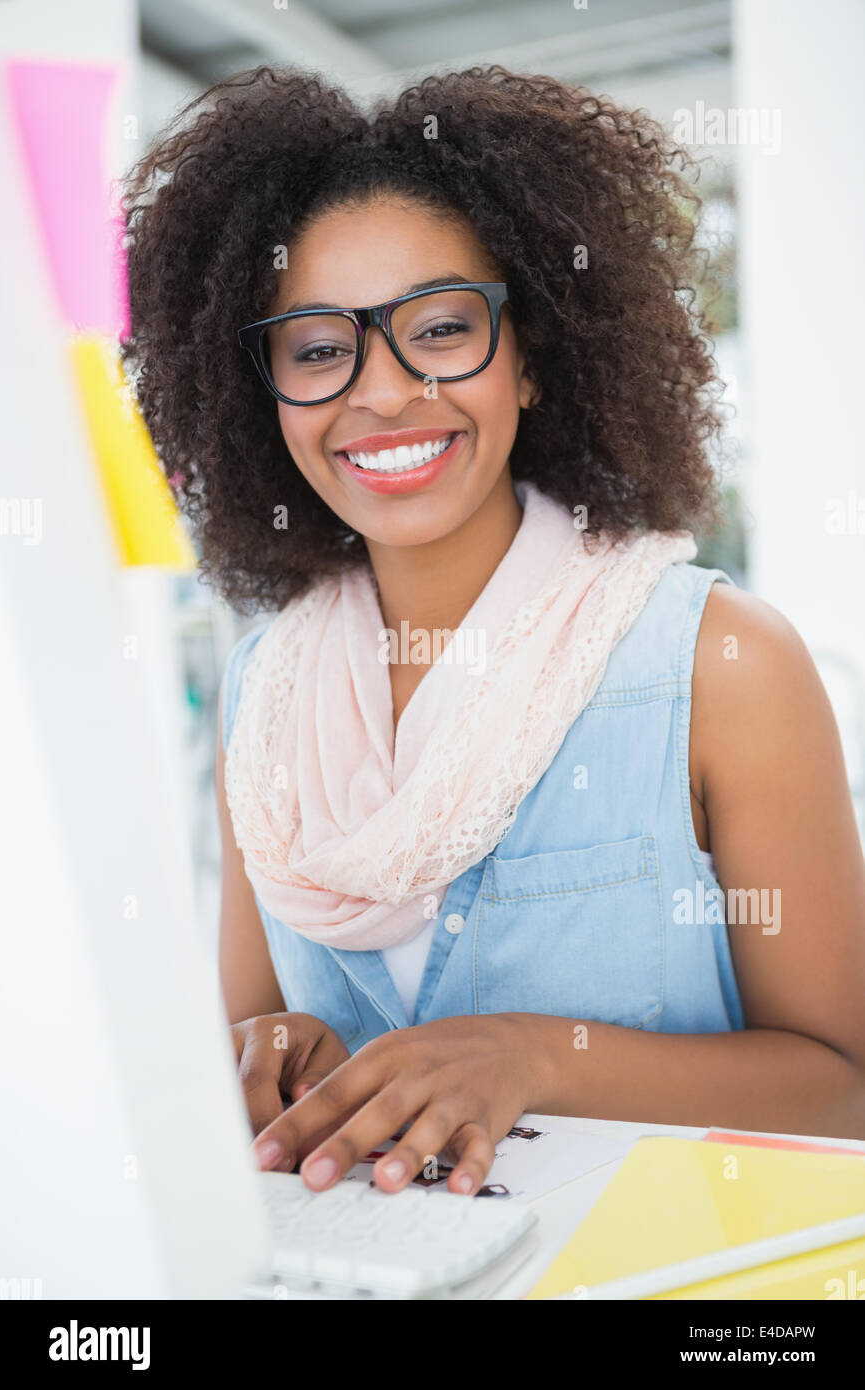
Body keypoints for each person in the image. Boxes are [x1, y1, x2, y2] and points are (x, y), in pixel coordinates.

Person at [121, 64, 865, 1198]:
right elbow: (255, 1036)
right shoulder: (265, 691)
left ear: (528, 359)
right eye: (320, 349)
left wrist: (531, 1057)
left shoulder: (717, 665)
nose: (380, 391)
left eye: (440, 328)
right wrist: (274, 1062)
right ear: (261, 394)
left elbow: (843, 1087)